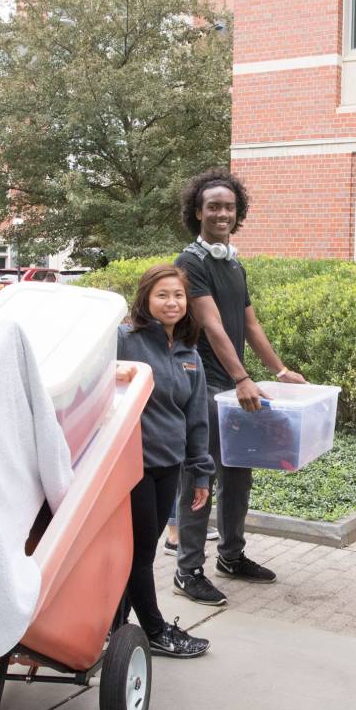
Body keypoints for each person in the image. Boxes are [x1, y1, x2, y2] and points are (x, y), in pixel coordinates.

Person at [171, 170, 304, 606]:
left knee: (239, 473)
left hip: (232, 385)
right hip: (203, 383)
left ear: (237, 212)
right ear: (198, 212)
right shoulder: (191, 262)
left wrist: (279, 370)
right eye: (214, 206)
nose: (222, 213)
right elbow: (210, 325)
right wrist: (243, 378)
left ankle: (231, 555)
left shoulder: (232, 262)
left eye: (229, 206)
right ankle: (188, 570)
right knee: (200, 475)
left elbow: (249, 324)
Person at [116, 264, 214, 657]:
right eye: (162, 295)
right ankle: (155, 631)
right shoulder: (124, 339)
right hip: (130, 465)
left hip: (168, 466)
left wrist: (201, 473)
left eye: (178, 295)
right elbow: (87, 376)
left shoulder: (190, 354)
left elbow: (196, 418)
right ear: (146, 299)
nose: (171, 302)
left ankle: (113, 623)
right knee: (140, 551)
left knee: (143, 549)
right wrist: (112, 370)